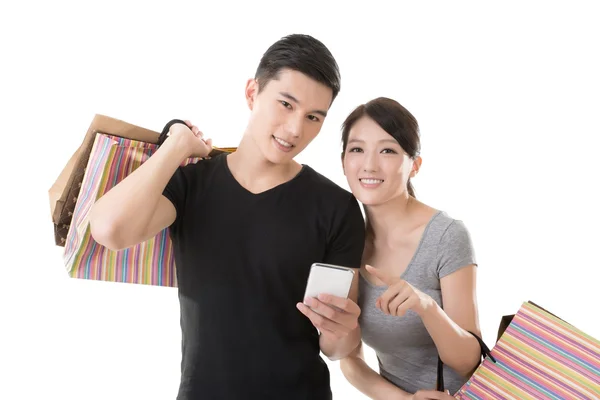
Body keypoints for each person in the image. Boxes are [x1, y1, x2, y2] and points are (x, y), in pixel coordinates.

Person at [89, 34, 366, 400]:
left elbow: (335, 349)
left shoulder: (337, 207)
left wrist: (343, 330)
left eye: (313, 117)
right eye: (286, 104)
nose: (296, 129)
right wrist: (178, 143)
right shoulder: (192, 185)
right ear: (252, 93)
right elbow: (109, 230)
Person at [338, 97, 483, 399]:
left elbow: (469, 362)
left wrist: (426, 307)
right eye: (357, 149)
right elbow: (349, 358)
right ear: (343, 162)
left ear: (414, 165)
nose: (369, 164)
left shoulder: (446, 235)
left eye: (388, 150)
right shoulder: (345, 241)